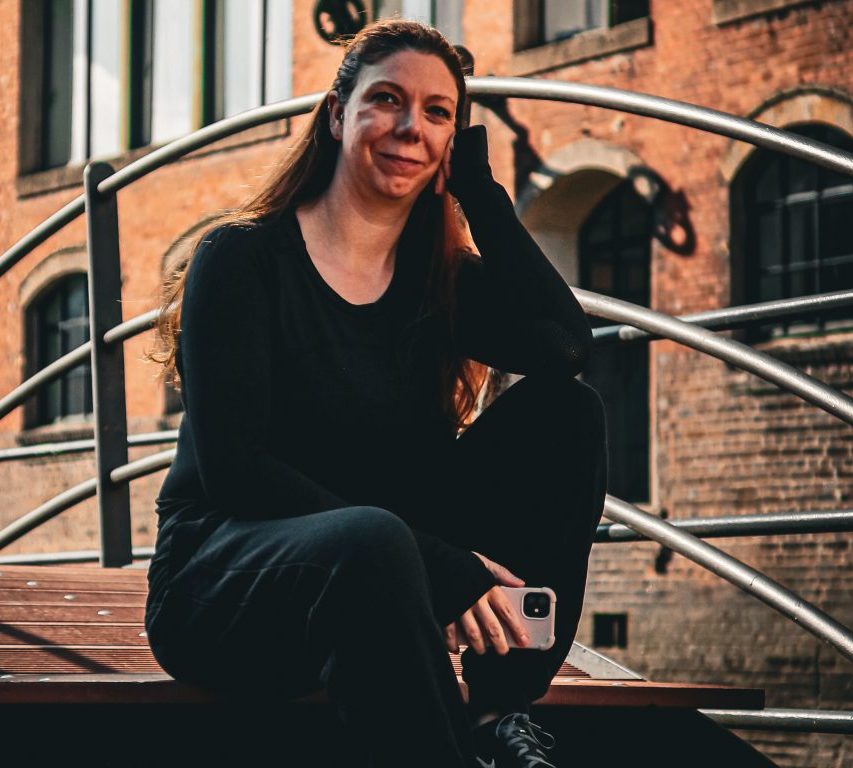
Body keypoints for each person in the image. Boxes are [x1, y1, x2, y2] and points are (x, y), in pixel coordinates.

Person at [145, 19, 607, 768]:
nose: (408, 127)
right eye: (386, 100)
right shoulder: (241, 259)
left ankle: (496, 707)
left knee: (569, 416)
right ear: (337, 114)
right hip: (228, 586)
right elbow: (235, 471)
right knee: (372, 539)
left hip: (387, 579)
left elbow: (565, 349)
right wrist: (440, 564)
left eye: (436, 113)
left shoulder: (438, 280)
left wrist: (483, 198)